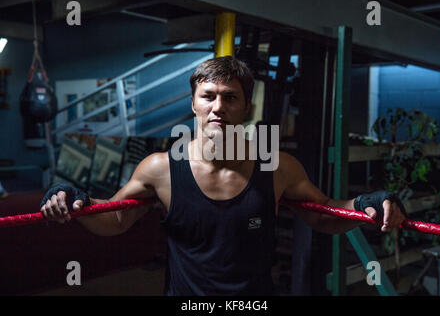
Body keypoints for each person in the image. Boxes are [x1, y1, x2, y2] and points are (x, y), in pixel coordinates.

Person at [40, 56, 406, 296]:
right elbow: (116, 218)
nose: (218, 107)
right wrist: (77, 201)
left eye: (230, 98)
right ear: (193, 103)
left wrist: (364, 204)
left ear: (246, 107)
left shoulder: (276, 166)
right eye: (208, 96)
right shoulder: (160, 168)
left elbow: (322, 212)